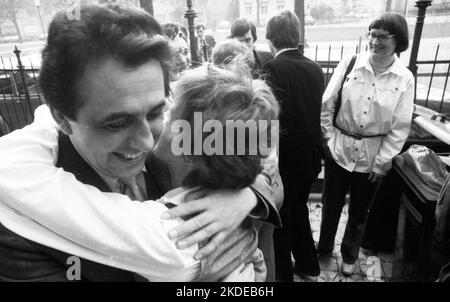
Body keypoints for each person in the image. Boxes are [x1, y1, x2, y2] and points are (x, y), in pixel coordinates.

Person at [0, 4, 280, 281]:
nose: (146, 141)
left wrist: (246, 196)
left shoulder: (187, 143)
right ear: (62, 117)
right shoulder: (19, 231)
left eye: (156, 112)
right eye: (117, 123)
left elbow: (256, 167)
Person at [319, 12, 414, 276]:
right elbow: (326, 104)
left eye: (382, 36)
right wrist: (328, 137)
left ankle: (350, 253)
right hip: (340, 149)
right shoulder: (350, 63)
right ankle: (324, 247)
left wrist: (383, 162)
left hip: (372, 156)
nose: (374, 41)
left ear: (398, 40)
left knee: (360, 211)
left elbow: (399, 127)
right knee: (331, 204)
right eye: (371, 34)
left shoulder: (404, 78)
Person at [263, 10, 324, 281]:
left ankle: (284, 274)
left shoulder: (273, 69)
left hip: (284, 157)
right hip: (309, 155)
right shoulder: (314, 67)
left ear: (269, 38)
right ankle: (309, 265)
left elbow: (270, 119)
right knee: (299, 209)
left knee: (281, 217)